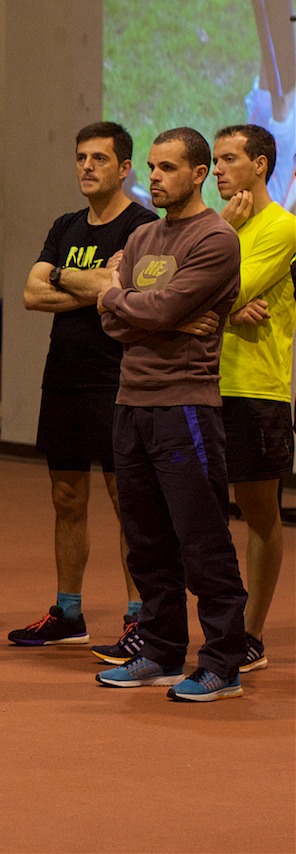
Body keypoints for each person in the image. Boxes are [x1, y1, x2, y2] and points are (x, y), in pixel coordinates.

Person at [94, 126, 248, 702]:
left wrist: (119, 297)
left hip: (183, 406)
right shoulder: (143, 236)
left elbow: (153, 308)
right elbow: (122, 323)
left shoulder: (215, 239)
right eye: (152, 168)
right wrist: (142, 312)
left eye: (166, 168)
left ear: (199, 174)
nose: (153, 177)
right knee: (146, 540)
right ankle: (158, 650)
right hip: (129, 405)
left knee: (201, 538)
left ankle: (223, 662)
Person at [12, 123, 153, 648]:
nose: (87, 166)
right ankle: (68, 614)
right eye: (80, 157)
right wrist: (94, 284)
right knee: (67, 496)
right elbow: (30, 293)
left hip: (118, 381)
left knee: (129, 500)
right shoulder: (66, 224)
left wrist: (62, 277)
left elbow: (127, 290)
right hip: (64, 380)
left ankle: (140, 618)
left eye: (99, 158)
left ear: (124, 168)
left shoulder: (143, 228)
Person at [211, 123, 294, 675]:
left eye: (229, 160)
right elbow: (166, 288)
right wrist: (225, 308)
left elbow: (211, 287)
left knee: (260, 512)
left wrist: (216, 301)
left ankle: (252, 634)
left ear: (260, 165)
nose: (217, 170)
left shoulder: (281, 227)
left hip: (256, 389)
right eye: (214, 161)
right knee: (200, 513)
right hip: (199, 385)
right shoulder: (217, 226)